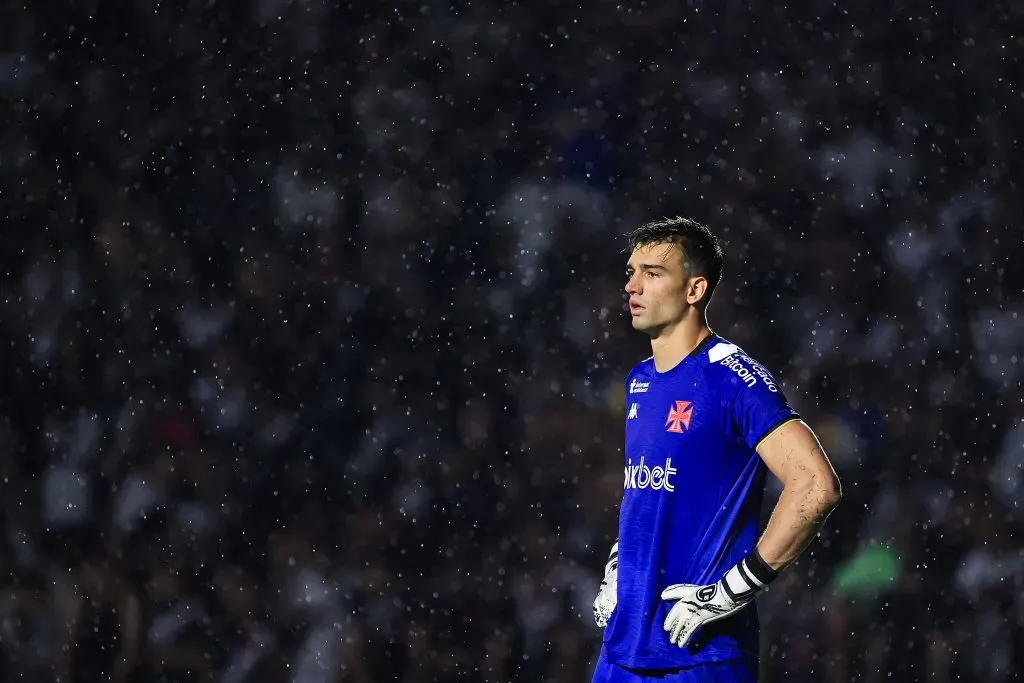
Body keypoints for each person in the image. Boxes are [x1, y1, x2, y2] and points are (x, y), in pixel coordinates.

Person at [591, 217, 842, 682]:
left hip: (699, 655)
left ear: (694, 290)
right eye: (631, 272)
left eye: (652, 273)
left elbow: (816, 485)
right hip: (622, 649)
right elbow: (651, 492)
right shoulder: (639, 380)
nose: (631, 286)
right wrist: (620, 561)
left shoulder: (734, 379)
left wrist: (732, 591)